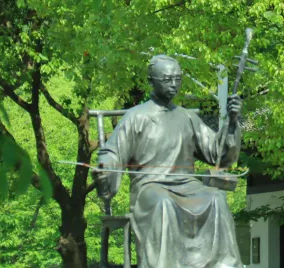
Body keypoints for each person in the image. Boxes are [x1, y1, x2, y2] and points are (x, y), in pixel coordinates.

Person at [95, 55, 243, 268]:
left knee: (216, 198)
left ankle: (223, 264)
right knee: (163, 203)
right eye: (167, 79)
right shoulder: (136, 117)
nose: (173, 84)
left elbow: (216, 153)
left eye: (177, 79)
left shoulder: (187, 117)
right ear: (151, 81)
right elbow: (112, 152)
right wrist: (105, 167)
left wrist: (232, 122)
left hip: (187, 185)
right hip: (150, 187)